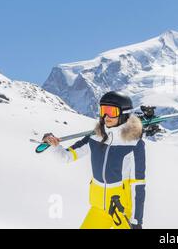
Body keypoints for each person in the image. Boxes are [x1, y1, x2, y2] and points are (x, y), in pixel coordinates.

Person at [43, 91, 146, 229]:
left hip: (120, 210)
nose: (106, 116)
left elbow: (138, 185)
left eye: (111, 111)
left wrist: (136, 221)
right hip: (98, 208)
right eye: (103, 110)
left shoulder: (133, 144)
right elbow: (66, 157)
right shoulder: (94, 138)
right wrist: (54, 146)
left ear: (124, 114)